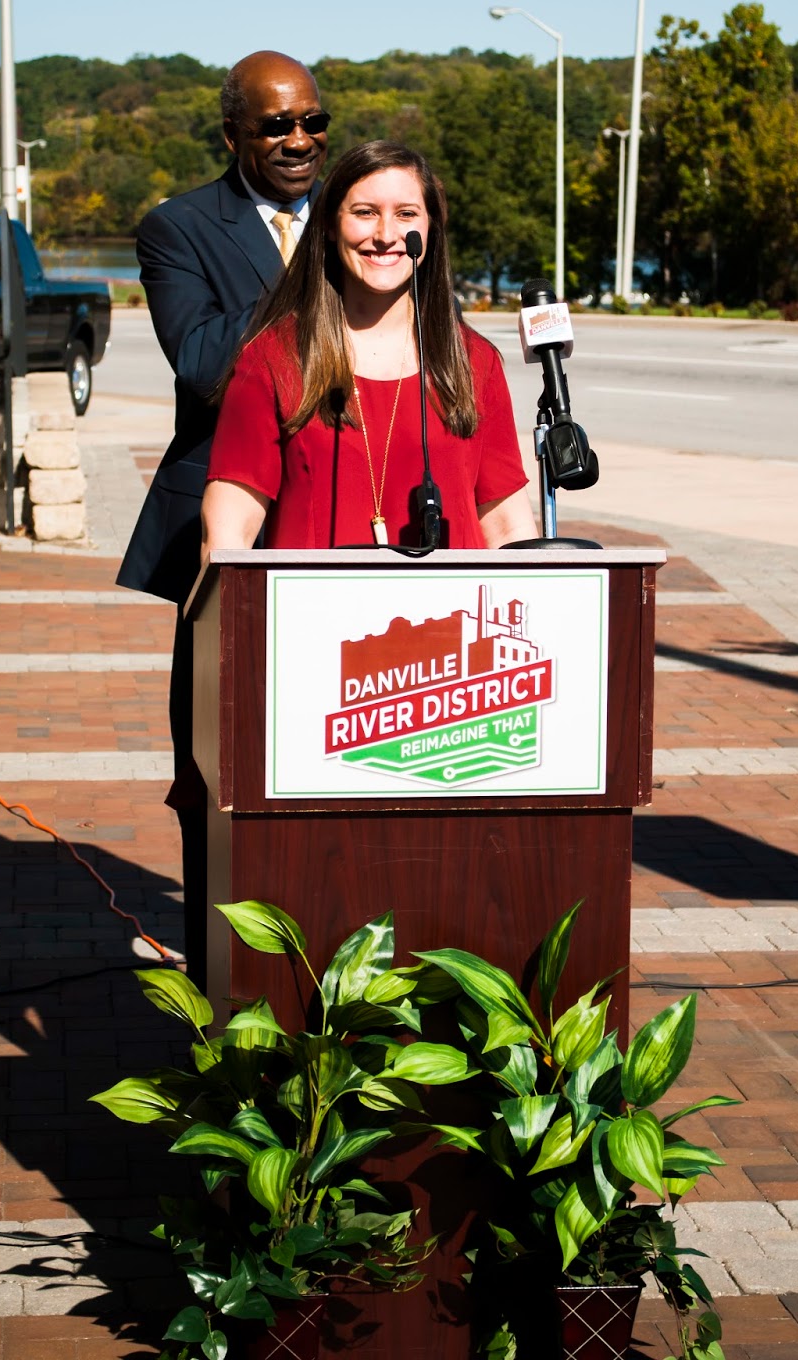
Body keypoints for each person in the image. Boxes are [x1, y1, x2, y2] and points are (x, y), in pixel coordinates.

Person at [116, 51, 329, 982]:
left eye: (313, 122)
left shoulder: (362, 215)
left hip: (347, 521)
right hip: (228, 526)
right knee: (220, 760)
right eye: (277, 125)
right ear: (233, 134)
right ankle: (218, 973)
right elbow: (202, 363)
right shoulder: (179, 227)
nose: (299, 140)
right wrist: (312, 272)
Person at [202, 140, 537, 554]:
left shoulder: (474, 360)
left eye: (406, 214)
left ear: (430, 228)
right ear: (329, 224)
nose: (385, 235)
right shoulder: (272, 358)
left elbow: (507, 525)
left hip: (455, 597)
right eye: (365, 212)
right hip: (318, 598)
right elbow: (227, 534)